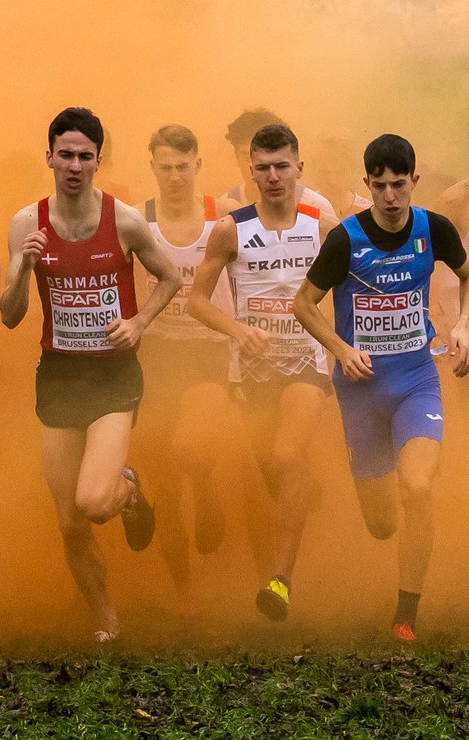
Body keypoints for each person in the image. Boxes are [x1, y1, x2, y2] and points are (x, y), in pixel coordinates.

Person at [0, 107, 178, 642]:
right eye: (65, 155)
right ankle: (107, 623)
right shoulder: (26, 224)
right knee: (69, 520)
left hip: (112, 378)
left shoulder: (123, 220)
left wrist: (139, 322)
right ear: (49, 157)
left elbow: (169, 277)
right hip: (58, 376)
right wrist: (23, 268)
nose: (74, 165)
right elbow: (9, 316)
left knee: (93, 501)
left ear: (98, 161)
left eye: (85, 156)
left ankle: (128, 489)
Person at [293, 134, 468, 641]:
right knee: (381, 524)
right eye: (379, 186)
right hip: (361, 390)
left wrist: (462, 326)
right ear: (366, 185)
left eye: (399, 184)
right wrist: (341, 349)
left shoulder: (433, 227)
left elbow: (466, 271)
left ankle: (405, 614)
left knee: (417, 486)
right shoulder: (345, 239)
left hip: (417, 380)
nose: (390, 196)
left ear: (415, 181)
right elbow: (304, 304)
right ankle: (378, 499)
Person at [188, 123, 334, 623]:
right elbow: (195, 301)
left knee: (285, 453)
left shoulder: (321, 227)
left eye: (282, 167)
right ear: (250, 171)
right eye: (263, 168)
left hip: (308, 365)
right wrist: (236, 329)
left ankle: (280, 581)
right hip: (252, 374)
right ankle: (305, 489)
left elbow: (363, 282)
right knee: (275, 472)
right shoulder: (231, 229)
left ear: (299, 168)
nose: (273, 177)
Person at [133, 125, 232, 610]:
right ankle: (185, 595)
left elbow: (264, 274)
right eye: (165, 167)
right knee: (163, 484)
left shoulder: (225, 219)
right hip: (155, 355)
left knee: (189, 448)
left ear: (199, 165)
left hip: (209, 351)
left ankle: (208, 488)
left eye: (183, 166)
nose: (175, 176)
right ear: (152, 167)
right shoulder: (136, 221)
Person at [223, 109, 338, 222]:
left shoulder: (316, 206)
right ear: (236, 157)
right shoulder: (223, 209)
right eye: (246, 155)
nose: (272, 176)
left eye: (281, 165)